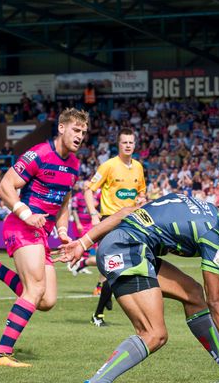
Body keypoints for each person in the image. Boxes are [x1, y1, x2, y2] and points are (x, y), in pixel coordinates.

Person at [59, 193, 219, 383]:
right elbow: (216, 300)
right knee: (153, 334)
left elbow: (127, 211)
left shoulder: (194, 204)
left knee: (194, 294)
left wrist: (82, 243)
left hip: (130, 246)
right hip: (128, 249)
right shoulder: (211, 235)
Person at [0, 108, 89, 367]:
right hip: (21, 227)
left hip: (41, 233)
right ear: (62, 128)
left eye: (84, 133)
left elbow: (63, 202)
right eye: (76, 130)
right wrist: (26, 213)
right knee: (36, 289)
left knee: (47, 301)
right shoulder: (39, 154)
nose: (80, 136)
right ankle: (0, 353)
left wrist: (63, 232)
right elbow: (5, 185)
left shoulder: (74, 164)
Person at [85, 127, 147, 327]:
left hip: (131, 222)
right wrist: (94, 214)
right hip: (111, 220)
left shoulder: (138, 167)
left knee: (123, 268)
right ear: (118, 145)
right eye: (124, 142)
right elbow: (88, 189)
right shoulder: (108, 166)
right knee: (116, 267)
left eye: (131, 142)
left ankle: (106, 298)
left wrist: (143, 204)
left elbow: (142, 193)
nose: (128, 145)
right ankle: (98, 314)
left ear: (134, 144)